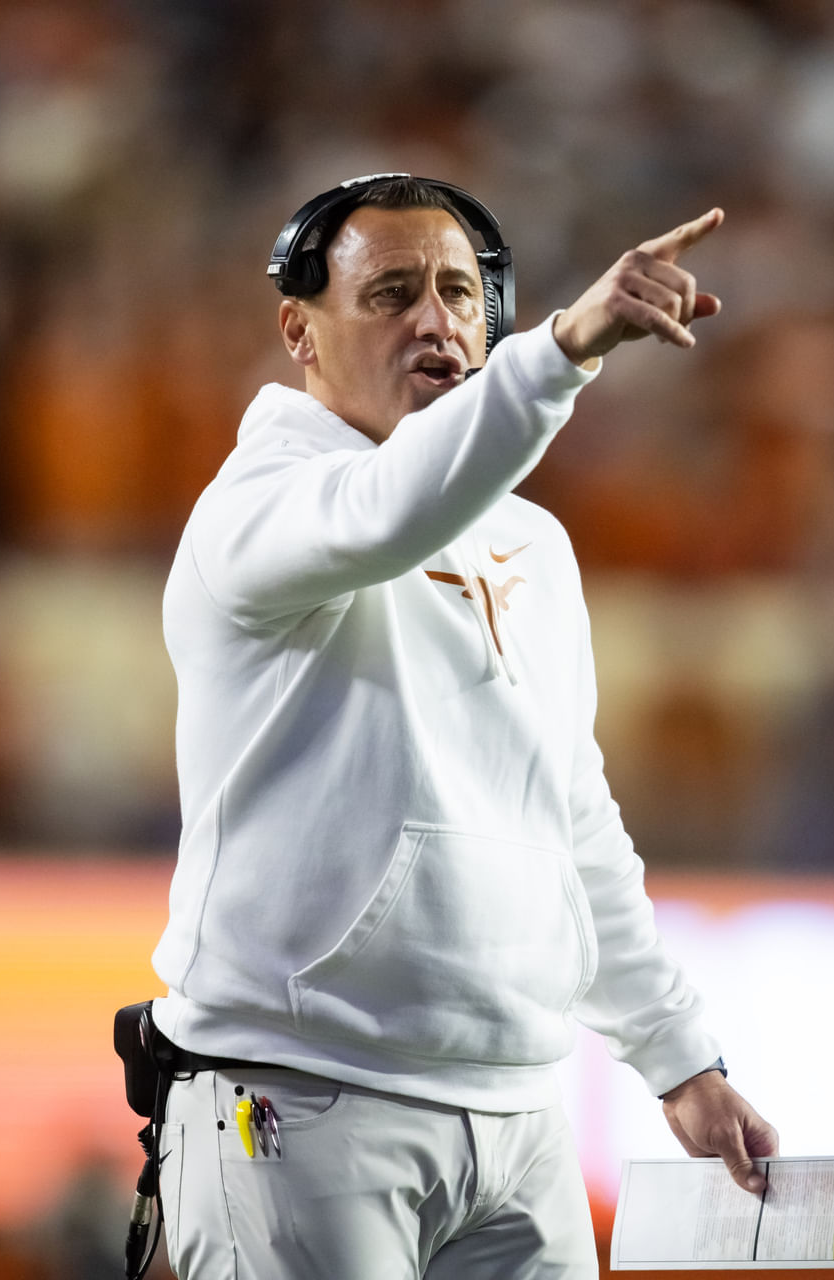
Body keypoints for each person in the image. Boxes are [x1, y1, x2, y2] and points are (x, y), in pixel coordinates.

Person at [148, 174, 776, 1279]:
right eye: (391, 292)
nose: (437, 320)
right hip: (300, 1096)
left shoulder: (533, 543)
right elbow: (389, 512)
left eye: (458, 291)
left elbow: (569, 816)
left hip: (522, 1113)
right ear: (298, 328)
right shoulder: (254, 509)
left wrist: (682, 1059)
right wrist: (569, 343)